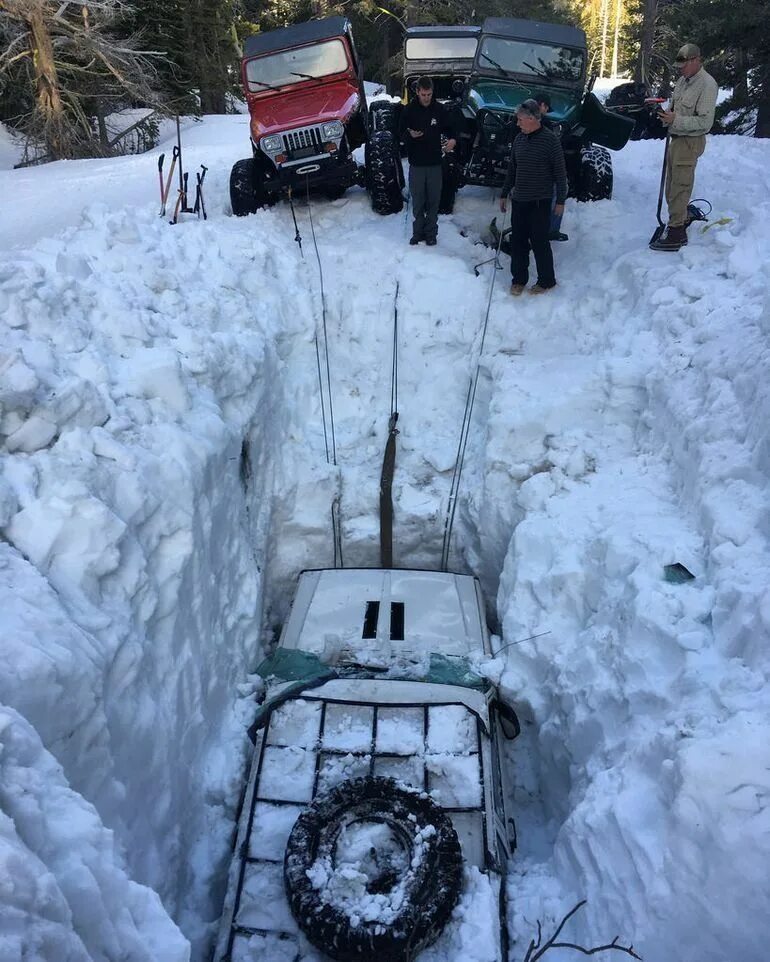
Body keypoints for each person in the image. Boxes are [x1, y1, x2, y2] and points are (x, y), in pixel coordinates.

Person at [650, 43, 718, 252]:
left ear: (696, 60)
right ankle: (680, 217)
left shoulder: (707, 84)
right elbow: (675, 108)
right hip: (676, 139)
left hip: (690, 142)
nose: (680, 69)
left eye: (684, 65)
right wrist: (663, 115)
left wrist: (676, 120)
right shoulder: (682, 81)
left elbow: (704, 123)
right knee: (672, 185)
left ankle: (677, 232)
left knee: (680, 187)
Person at [499, 99, 567, 296]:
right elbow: (512, 169)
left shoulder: (550, 140)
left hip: (540, 201)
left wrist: (561, 200)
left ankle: (547, 281)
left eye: (520, 120)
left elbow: (560, 173)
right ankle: (519, 280)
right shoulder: (519, 140)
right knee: (518, 242)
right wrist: (504, 193)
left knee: (539, 242)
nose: (517, 124)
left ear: (532, 119)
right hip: (519, 200)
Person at [399, 76, 457, 246]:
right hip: (416, 163)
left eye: (429, 94)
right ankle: (417, 232)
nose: (426, 98)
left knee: (433, 201)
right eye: (423, 94)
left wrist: (452, 140)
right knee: (418, 201)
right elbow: (399, 132)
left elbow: (452, 128)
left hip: (434, 163)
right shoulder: (409, 110)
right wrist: (409, 135)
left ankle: (431, 233)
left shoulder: (439, 110)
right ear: (417, 92)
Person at [535, 95, 568, 242]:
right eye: (545, 107)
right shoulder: (540, 124)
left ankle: (550, 229)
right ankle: (548, 229)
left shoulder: (545, 124)